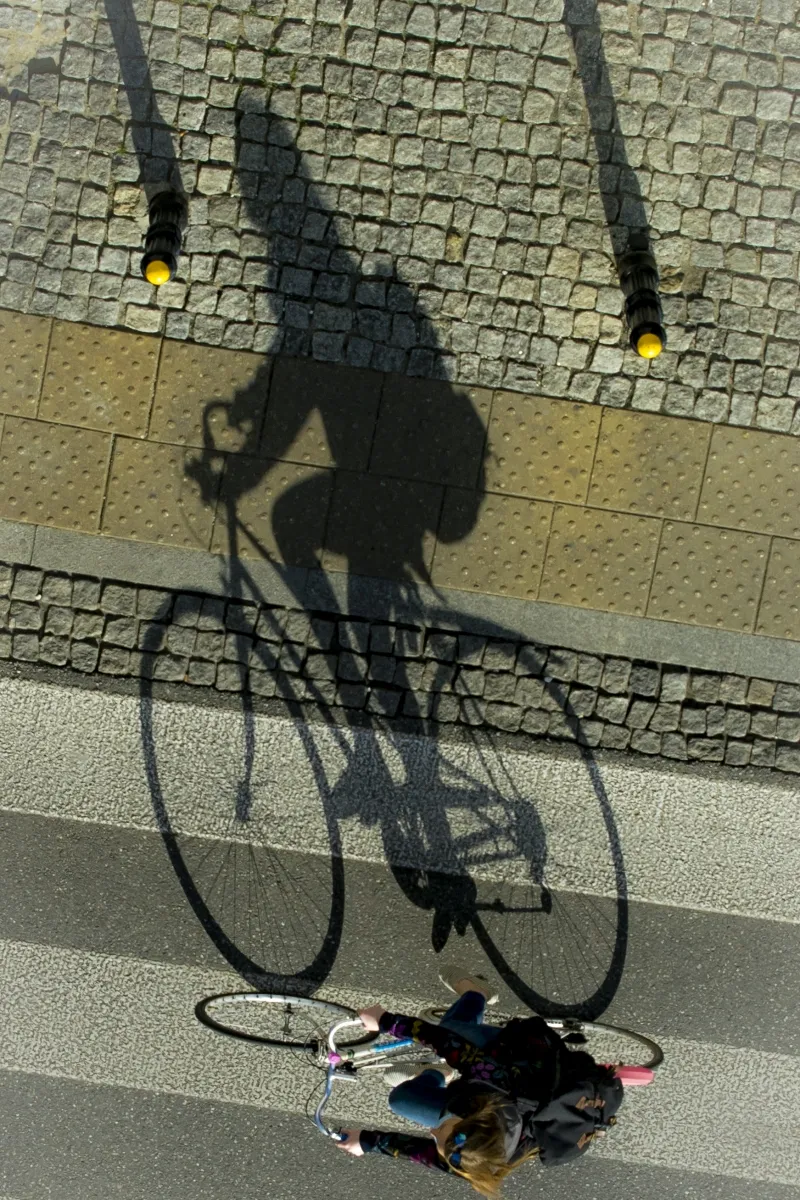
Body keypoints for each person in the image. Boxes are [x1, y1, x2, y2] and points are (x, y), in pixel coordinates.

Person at [335, 970, 624, 1196]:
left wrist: (370, 1142)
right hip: (518, 1061)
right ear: (470, 1119)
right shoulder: (498, 1084)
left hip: (475, 1097)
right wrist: (386, 1021)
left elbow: (431, 1157)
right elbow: (449, 1044)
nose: (432, 1131)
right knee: (451, 1029)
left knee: (401, 1100)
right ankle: (476, 993)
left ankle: (437, 1073)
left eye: (437, 1139)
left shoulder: (478, 1158)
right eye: (441, 1132)